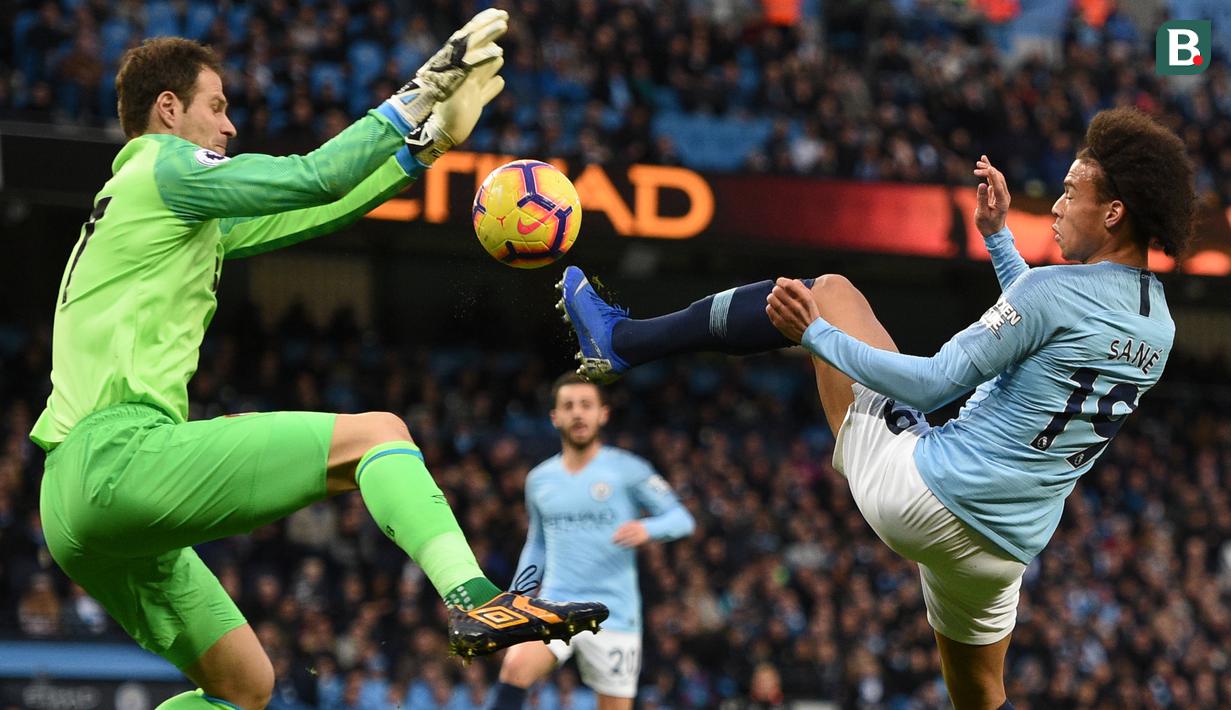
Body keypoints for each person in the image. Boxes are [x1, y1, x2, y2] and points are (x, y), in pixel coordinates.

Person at [34, 13, 606, 710]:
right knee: (381, 433)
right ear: (168, 108)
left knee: (244, 685)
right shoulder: (167, 169)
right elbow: (311, 175)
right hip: (117, 457)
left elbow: (314, 210)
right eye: (217, 107)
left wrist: (425, 148)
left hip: (69, 499)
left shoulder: (151, 205)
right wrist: (418, 93)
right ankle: (475, 599)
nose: (230, 126)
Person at [556, 107, 1194, 709]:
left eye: (1070, 191)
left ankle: (624, 342)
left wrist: (815, 334)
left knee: (829, 292)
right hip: (1005, 549)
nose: (1055, 203)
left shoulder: (1052, 290)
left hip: (926, 495)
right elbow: (1055, 330)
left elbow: (933, 384)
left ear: (1113, 212)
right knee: (981, 699)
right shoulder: (1157, 324)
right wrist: (1000, 241)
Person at [487, 373, 695, 710]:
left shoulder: (629, 470)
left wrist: (648, 530)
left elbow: (682, 519)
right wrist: (517, 596)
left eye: (586, 405)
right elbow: (537, 544)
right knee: (515, 667)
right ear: (555, 417)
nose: (578, 413)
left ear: (603, 414)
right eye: (568, 406)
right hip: (556, 604)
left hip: (614, 613)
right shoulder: (539, 480)